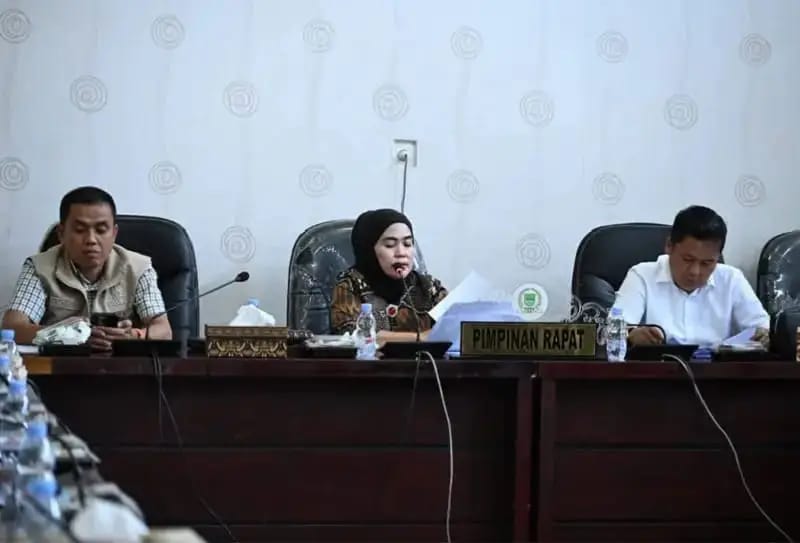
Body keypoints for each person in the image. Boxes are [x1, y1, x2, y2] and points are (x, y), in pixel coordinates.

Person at [1, 186, 172, 350]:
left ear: (114, 234)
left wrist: (135, 336)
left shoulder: (139, 268)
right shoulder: (40, 268)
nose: (91, 239)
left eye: (101, 230)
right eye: (80, 230)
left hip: (122, 366)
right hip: (60, 365)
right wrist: (67, 335)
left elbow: (164, 331)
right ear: (61, 234)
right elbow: (13, 328)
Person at [611, 205, 770, 347]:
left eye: (706, 263)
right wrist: (631, 335)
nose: (695, 271)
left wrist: (762, 335)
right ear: (669, 246)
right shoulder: (642, 276)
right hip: (660, 367)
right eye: (687, 259)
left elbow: (762, 329)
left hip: (717, 368)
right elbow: (613, 330)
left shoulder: (732, 279)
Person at [330, 209, 448, 344]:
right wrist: (419, 337)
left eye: (407, 244)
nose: (401, 252)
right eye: (390, 245)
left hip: (427, 358)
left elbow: (455, 327)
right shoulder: (350, 285)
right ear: (369, 250)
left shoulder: (428, 286)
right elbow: (350, 335)